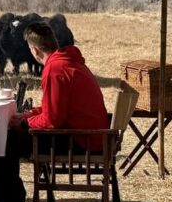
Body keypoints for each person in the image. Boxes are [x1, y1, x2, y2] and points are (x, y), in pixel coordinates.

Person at [11, 21, 108, 152]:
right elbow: (56, 110)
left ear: (34, 50)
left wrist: (24, 123)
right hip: (94, 136)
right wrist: (30, 114)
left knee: (9, 140)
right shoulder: (69, 62)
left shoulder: (55, 69)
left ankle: (6, 173)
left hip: (83, 141)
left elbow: (52, 121)